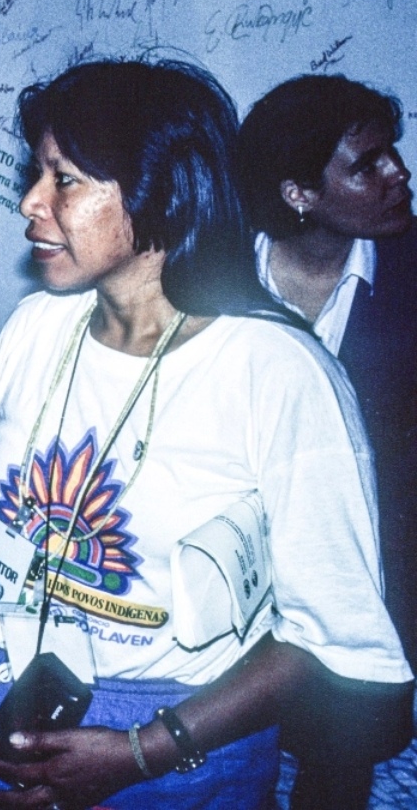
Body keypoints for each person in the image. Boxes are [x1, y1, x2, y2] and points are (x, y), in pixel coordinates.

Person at [0, 61, 411, 810]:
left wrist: (139, 751)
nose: (30, 203)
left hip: (178, 743)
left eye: (65, 179)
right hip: (4, 699)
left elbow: (322, 634)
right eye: (37, 173)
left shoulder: (277, 371)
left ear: (161, 194)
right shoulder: (36, 329)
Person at [235, 74, 417, 808]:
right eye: (367, 162)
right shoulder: (213, 277)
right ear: (298, 193)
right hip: (237, 571)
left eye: (394, 154)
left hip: (369, 572)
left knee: (339, 759)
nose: (398, 172)